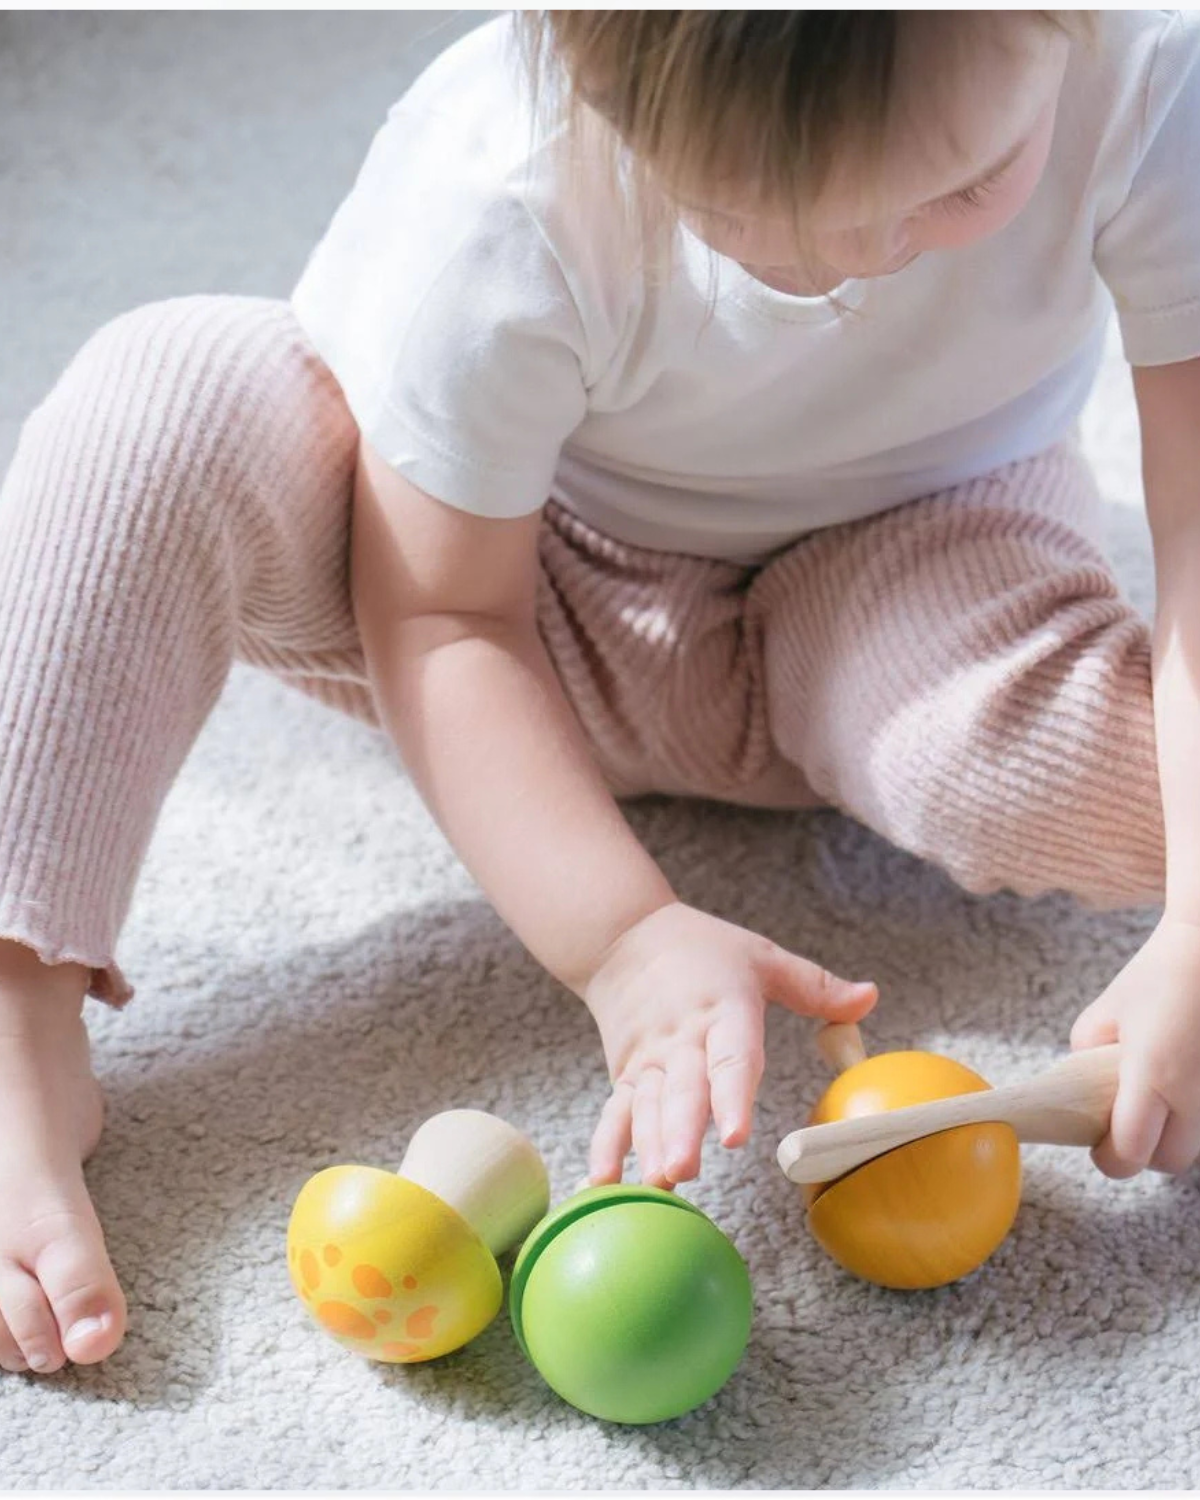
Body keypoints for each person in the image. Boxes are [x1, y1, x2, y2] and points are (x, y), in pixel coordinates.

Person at [1, 8, 1198, 1378]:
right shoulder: (504, 171)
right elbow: (447, 615)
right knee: (164, 398)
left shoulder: (1142, 66)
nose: (864, 262)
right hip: (523, 603)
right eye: (763, 222)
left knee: (1045, 757)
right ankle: (13, 1006)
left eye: (962, 187)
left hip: (927, 582)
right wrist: (622, 939)